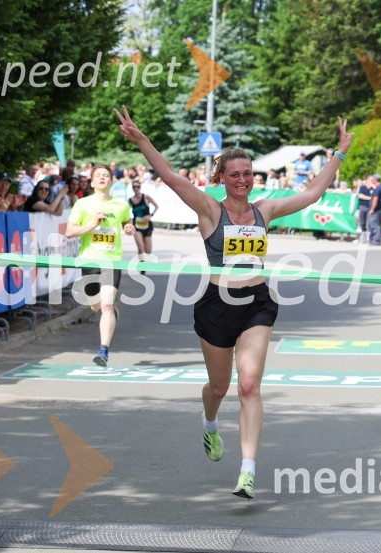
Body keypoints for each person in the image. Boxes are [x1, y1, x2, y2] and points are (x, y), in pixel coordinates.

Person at [114, 105, 353, 499]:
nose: (243, 180)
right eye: (235, 174)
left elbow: (312, 193)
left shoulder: (266, 210)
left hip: (257, 302)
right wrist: (142, 140)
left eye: (247, 174)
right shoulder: (210, 209)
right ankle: (209, 422)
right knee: (220, 386)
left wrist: (339, 153)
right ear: (221, 177)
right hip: (215, 305)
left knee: (248, 386)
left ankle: (247, 471)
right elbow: (171, 177)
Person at [65, 165, 136, 367]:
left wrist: (129, 229)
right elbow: (70, 232)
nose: (103, 178)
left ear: (111, 181)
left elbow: (127, 225)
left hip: (112, 260)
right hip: (89, 260)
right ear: (93, 182)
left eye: (106, 175)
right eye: (99, 176)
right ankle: (110, 310)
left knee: (105, 304)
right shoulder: (83, 204)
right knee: (95, 305)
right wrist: (93, 225)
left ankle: (103, 350)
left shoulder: (121, 205)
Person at [127, 179, 159, 271]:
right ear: (132, 188)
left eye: (138, 186)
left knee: (148, 251)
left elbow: (157, 206)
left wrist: (151, 215)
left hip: (147, 226)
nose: (136, 188)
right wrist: (129, 222)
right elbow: (125, 212)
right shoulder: (130, 200)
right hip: (137, 226)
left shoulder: (146, 197)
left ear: (140, 187)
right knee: (140, 247)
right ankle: (142, 266)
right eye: (134, 187)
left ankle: (143, 260)